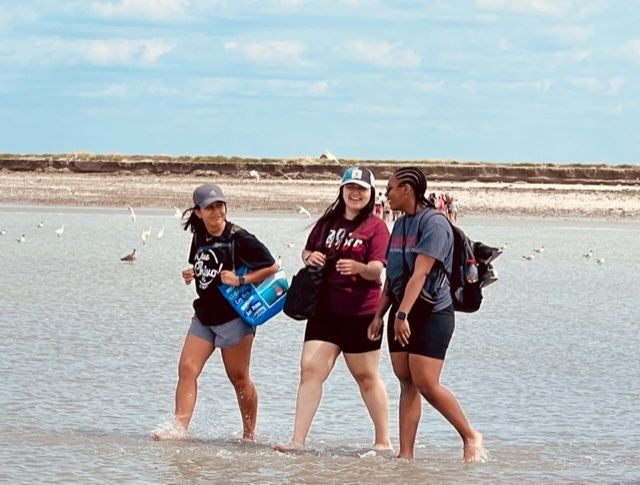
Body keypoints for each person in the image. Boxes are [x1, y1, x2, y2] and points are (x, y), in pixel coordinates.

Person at [367, 167, 484, 463]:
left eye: (391, 188)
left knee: (426, 383)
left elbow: (420, 273)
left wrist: (403, 314)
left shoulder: (435, 224)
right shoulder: (400, 225)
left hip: (432, 312)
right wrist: (379, 315)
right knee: (406, 382)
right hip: (400, 312)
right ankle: (405, 456)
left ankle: (470, 436)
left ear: (407, 189)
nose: (387, 194)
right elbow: (394, 278)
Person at [276, 167, 392, 452]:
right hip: (324, 312)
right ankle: (297, 441)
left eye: (361, 189)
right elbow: (307, 250)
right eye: (350, 187)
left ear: (370, 194)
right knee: (309, 370)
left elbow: (378, 267)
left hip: (361, 313)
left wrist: (359, 268)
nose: (355, 193)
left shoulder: (376, 227)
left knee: (366, 377)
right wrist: (309, 256)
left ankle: (383, 441)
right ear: (341, 190)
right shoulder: (327, 223)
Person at [153, 183, 279, 441]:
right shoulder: (199, 235)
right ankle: (179, 429)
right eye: (209, 207)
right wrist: (193, 273)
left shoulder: (240, 238)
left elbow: (272, 267)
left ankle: (249, 435)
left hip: (234, 317)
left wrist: (240, 280)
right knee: (187, 368)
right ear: (198, 212)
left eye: (220, 205)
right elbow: (204, 264)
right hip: (204, 316)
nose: (216, 211)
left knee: (238, 377)